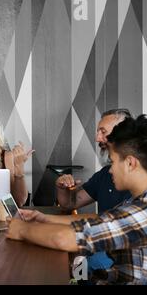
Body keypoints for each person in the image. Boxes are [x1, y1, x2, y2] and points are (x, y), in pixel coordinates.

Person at [6, 115, 147, 284]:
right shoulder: (142, 200)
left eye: (113, 162)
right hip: (114, 274)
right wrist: (45, 218)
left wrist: (20, 229)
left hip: (111, 270)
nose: (110, 170)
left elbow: (64, 238)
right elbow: (99, 219)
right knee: (76, 264)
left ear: (130, 163)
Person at [55, 109, 132, 272]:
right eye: (98, 132)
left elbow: (104, 223)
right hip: (100, 247)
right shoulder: (105, 175)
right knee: (73, 266)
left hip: (119, 259)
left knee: (72, 266)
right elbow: (70, 203)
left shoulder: (145, 185)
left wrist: (36, 225)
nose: (97, 138)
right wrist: (61, 187)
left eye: (103, 132)